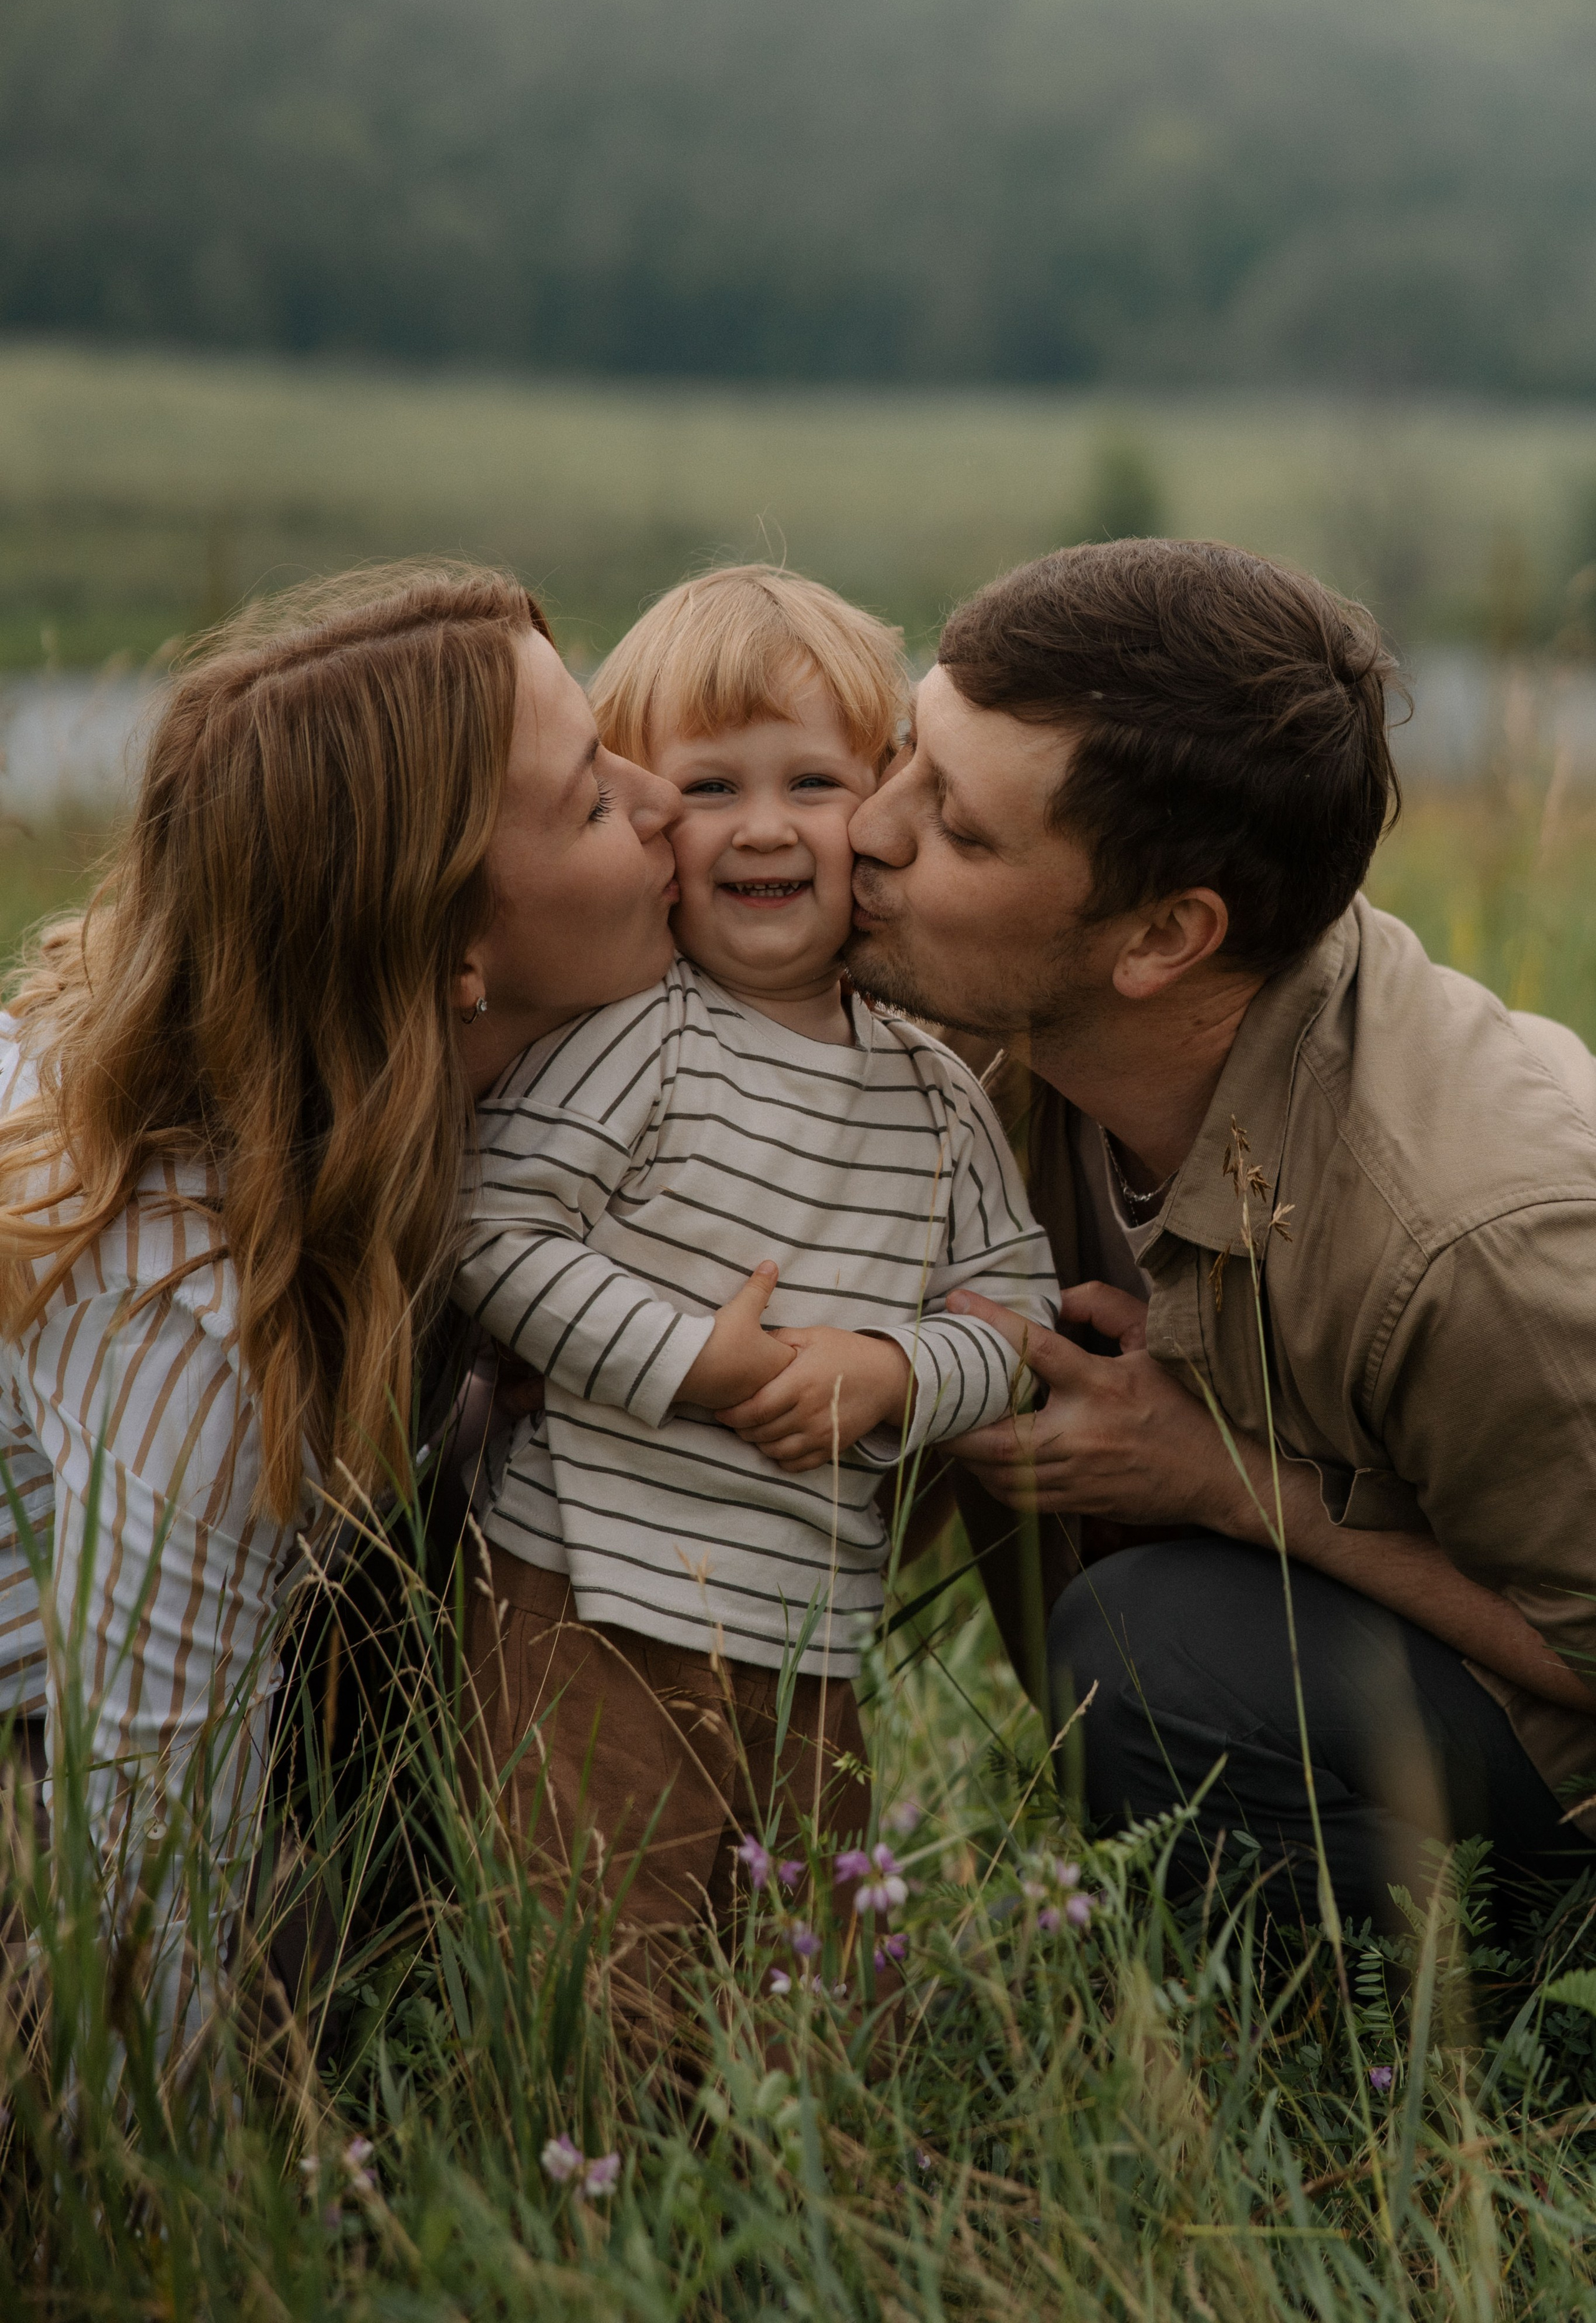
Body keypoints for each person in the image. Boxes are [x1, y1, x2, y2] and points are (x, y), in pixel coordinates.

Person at [844, 536, 1596, 1933]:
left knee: (1157, 1660)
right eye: (901, 754)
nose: (865, 830)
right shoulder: (992, 1028)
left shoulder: (1480, 1238)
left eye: (954, 825)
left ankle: (1433, 2043)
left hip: (1555, 1811)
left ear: (1163, 939)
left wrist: (1232, 1486)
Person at [0, 562, 681, 2045]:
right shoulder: (187, 1311)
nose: (666, 800)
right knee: (302, 1995)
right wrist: (194, 2233)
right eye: (588, 803)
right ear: (446, 954)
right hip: (48, 1769)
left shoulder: (371, 1091)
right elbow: (139, 1884)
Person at [454, 565, 1056, 2016]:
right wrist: (694, 1363)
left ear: (884, 806)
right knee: (601, 1944)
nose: (767, 826)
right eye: (709, 787)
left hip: (809, 1628)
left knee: (795, 1959)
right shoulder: (635, 1039)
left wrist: (896, 1376)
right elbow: (495, 1232)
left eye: (813, 781)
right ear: (649, 824)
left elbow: (1017, 1319)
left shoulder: (932, 1088)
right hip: (583, 1596)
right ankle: (579, 2188)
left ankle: (786, 2191)